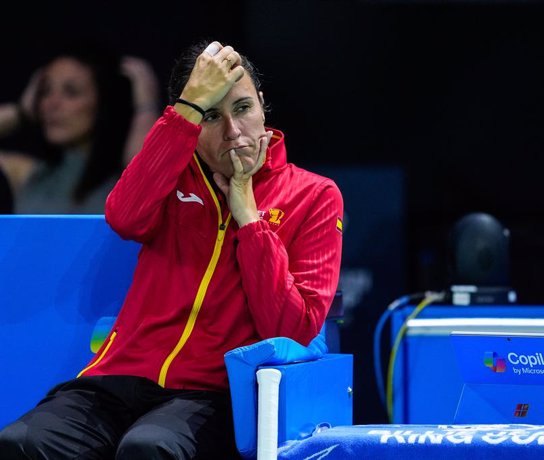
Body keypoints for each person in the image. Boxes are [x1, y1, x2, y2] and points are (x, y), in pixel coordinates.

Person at [0, 38, 344, 459]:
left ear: (262, 104)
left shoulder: (314, 194)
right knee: (20, 442)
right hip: (115, 380)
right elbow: (124, 216)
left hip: (212, 393)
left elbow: (294, 327)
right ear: (193, 123)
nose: (234, 132)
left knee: (150, 448)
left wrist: (250, 221)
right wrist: (186, 109)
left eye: (242, 108)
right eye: (212, 116)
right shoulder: (171, 172)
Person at [0, 43, 160, 214]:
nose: (51, 104)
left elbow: (149, 171)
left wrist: (145, 105)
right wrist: (21, 111)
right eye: (45, 91)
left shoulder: (127, 183)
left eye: (71, 92)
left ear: (104, 104)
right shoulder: (27, 174)